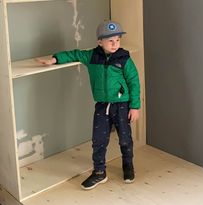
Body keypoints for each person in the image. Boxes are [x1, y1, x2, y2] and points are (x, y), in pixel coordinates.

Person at [37, 20, 140, 190]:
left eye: (117, 40)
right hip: (101, 106)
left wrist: (135, 106)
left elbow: (134, 82)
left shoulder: (124, 58)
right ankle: (99, 172)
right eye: (110, 41)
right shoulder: (92, 56)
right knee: (98, 140)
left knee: (125, 139)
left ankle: (128, 165)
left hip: (122, 105)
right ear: (100, 41)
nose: (115, 44)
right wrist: (54, 59)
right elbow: (74, 54)